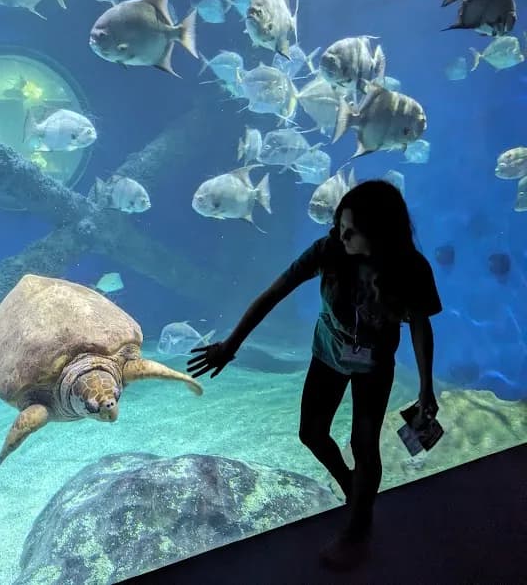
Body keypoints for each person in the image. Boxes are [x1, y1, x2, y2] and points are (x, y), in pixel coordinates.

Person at [187, 180, 442, 571]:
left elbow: (421, 327)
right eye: (340, 224)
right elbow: (275, 291)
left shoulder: (410, 268)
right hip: (328, 352)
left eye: (351, 229)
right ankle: (351, 487)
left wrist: (426, 388)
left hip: (374, 365)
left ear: (379, 231)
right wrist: (231, 344)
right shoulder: (329, 251)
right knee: (311, 432)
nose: (341, 234)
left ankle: (358, 528)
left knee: (364, 443)